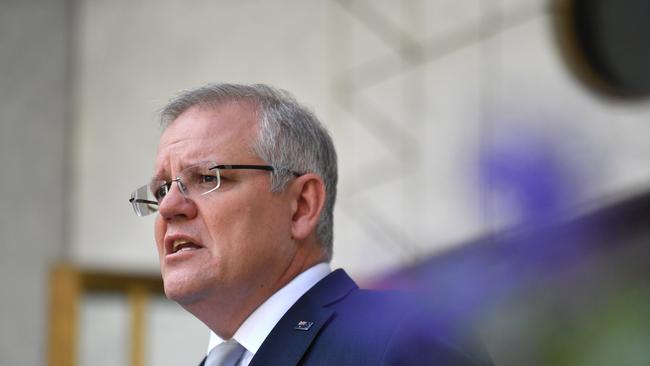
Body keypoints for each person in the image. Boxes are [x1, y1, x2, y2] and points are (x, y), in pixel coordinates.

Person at [129, 83, 492, 365]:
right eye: (162, 189)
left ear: (302, 206)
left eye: (207, 178)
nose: (169, 207)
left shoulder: (399, 340)